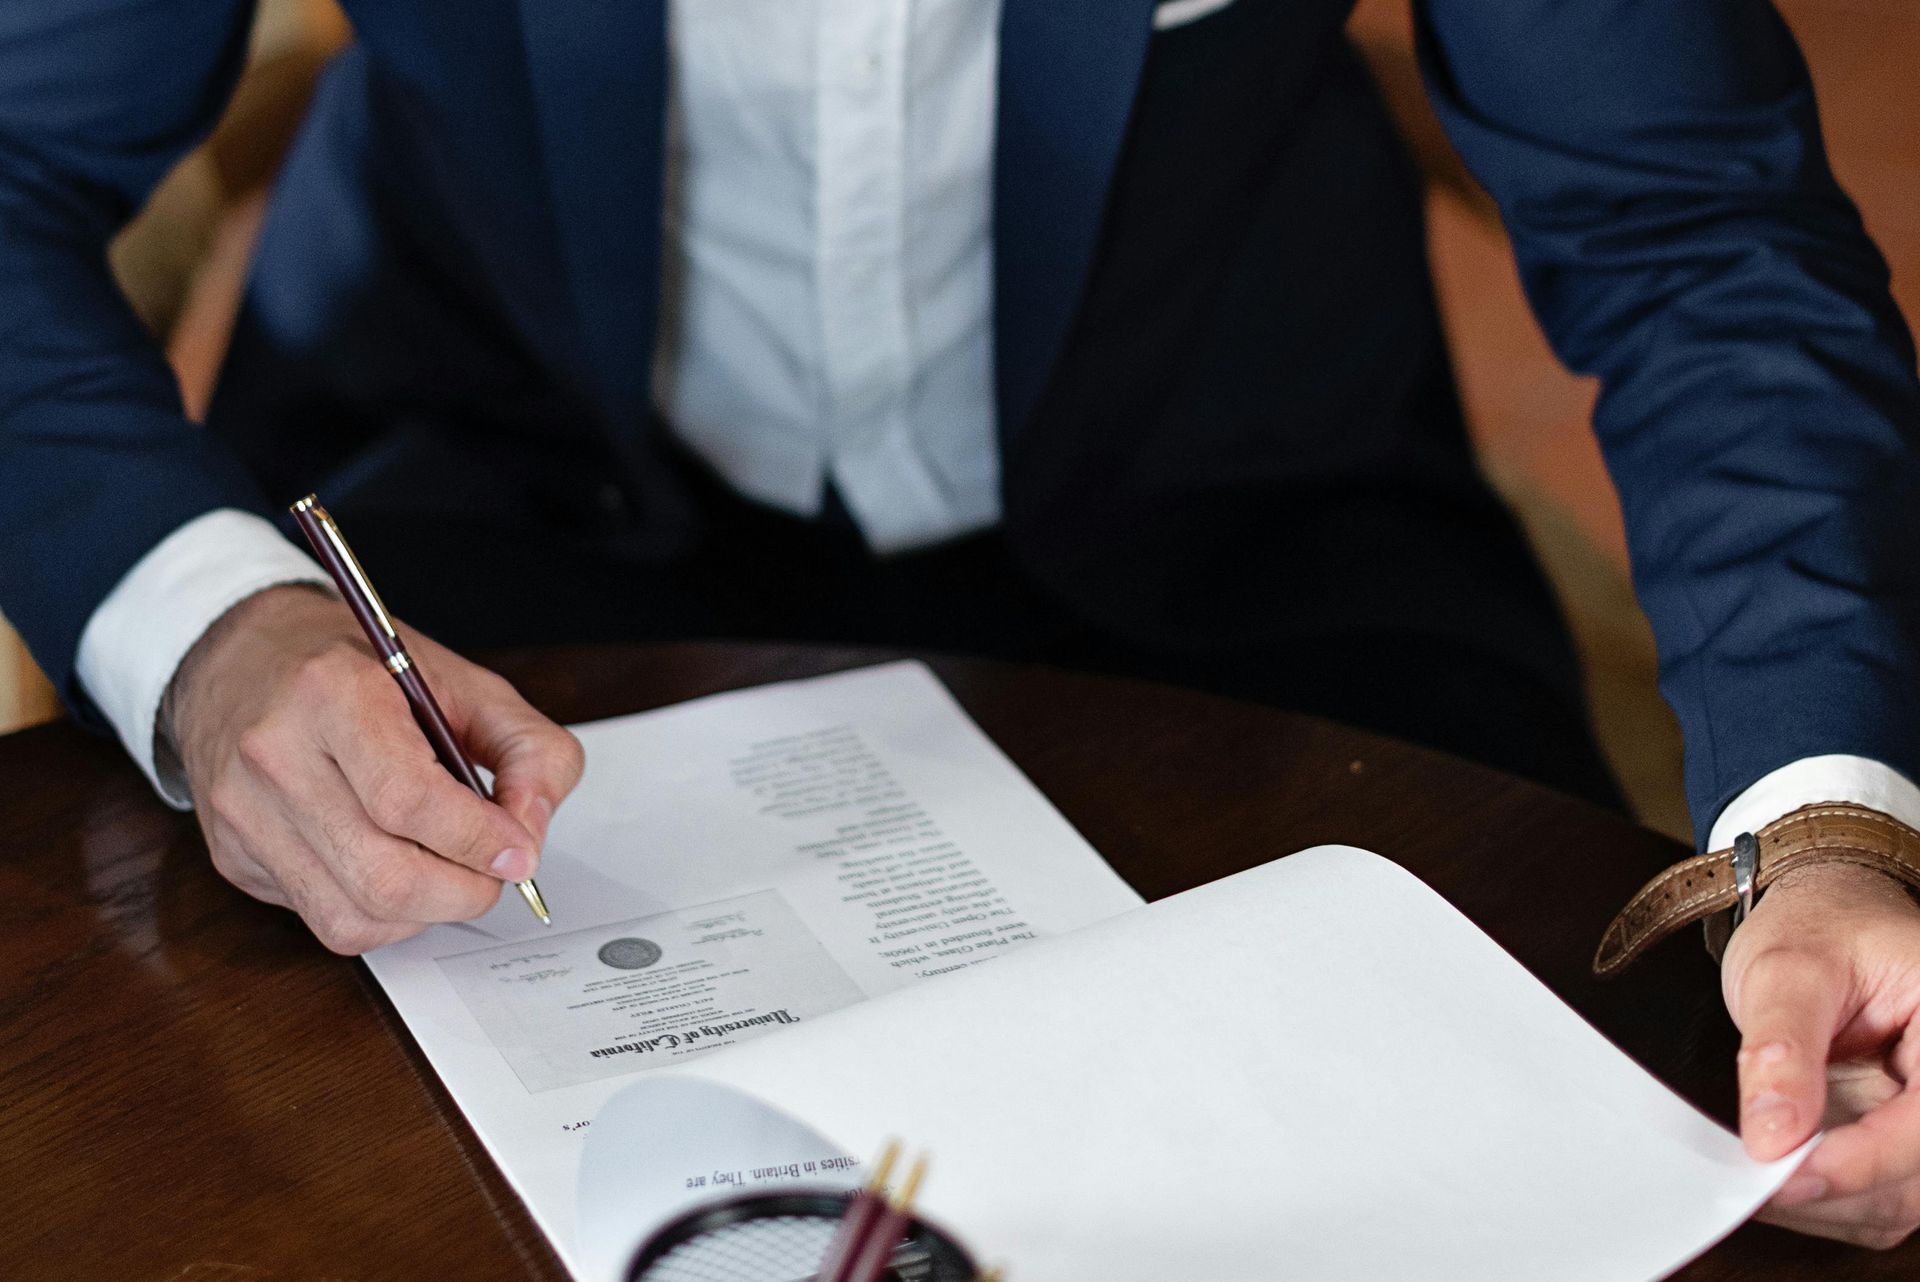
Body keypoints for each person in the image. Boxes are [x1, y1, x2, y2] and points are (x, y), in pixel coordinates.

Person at [3, 0, 1919, 1249]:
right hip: (482, 536)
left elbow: (1696, 237)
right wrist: (209, 623)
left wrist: (1834, 823)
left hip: (1245, 548)